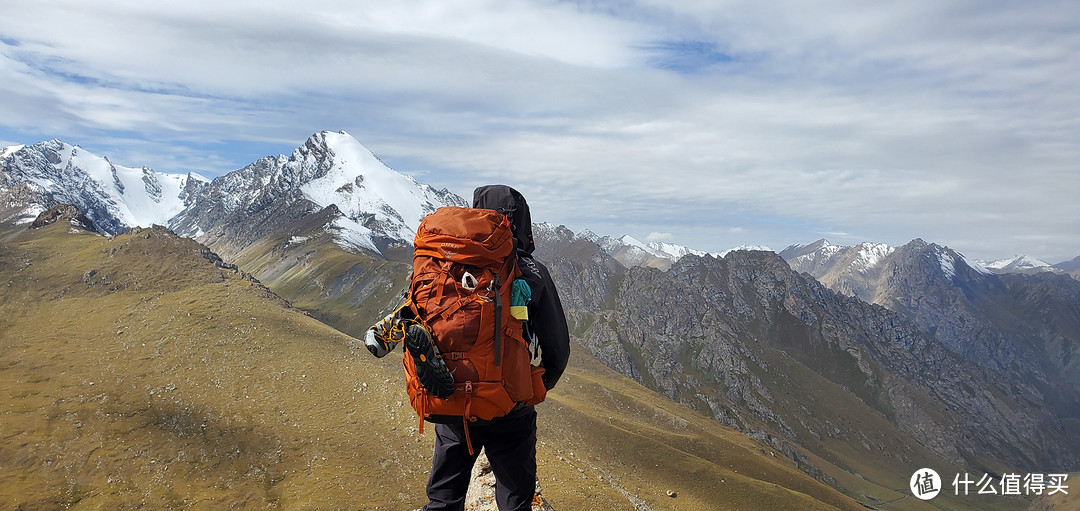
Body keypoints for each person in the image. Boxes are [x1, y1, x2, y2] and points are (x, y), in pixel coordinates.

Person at [421, 184, 571, 511]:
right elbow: (557, 348)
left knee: (444, 498)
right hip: (510, 403)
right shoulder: (533, 272)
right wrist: (533, 387)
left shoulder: (447, 262)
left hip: (455, 398)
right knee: (515, 499)